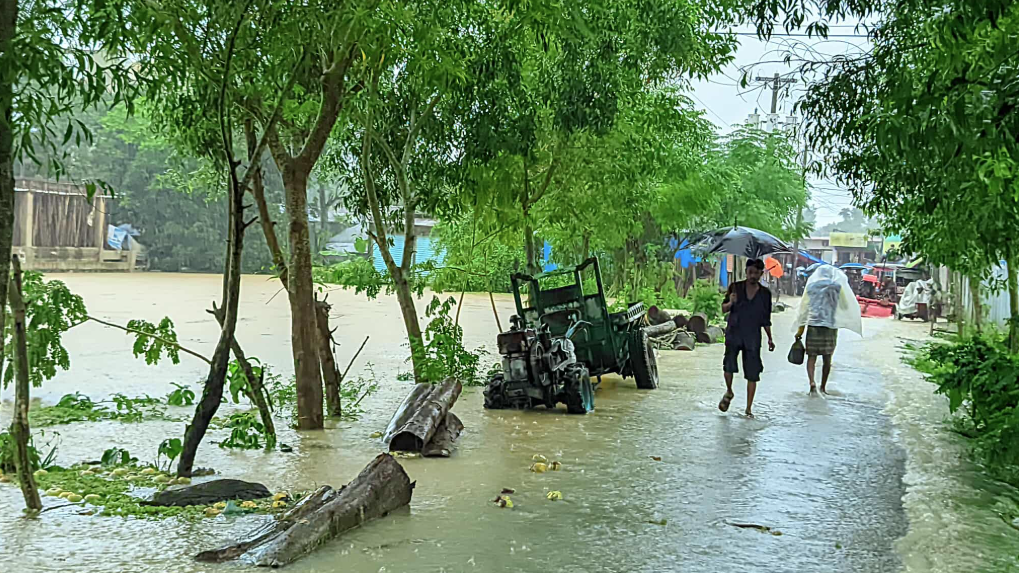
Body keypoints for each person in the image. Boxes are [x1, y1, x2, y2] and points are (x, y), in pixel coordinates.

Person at [719, 258, 775, 418]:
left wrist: (770, 338)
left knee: (753, 372)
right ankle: (729, 392)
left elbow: (766, 318)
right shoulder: (735, 288)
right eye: (750, 272)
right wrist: (731, 302)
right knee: (728, 365)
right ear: (746, 272)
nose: (752, 276)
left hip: (752, 336)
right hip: (734, 333)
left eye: (756, 273)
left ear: (761, 274)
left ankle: (748, 409)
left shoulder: (765, 294)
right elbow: (723, 309)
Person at [793, 265, 862, 394]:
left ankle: (812, 382)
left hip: (813, 325)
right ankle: (823, 387)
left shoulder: (811, 287)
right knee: (827, 358)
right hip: (830, 326)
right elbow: (845, 305)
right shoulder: (836, 287)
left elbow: (804, 308)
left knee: (811, 357)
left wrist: (800, 329)